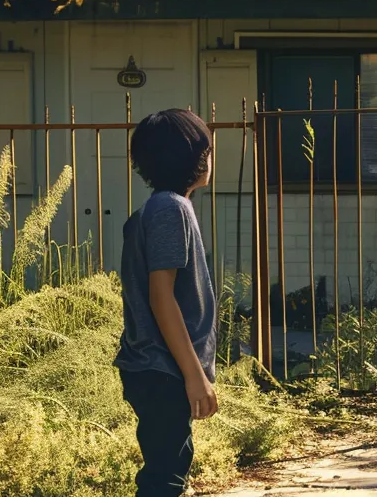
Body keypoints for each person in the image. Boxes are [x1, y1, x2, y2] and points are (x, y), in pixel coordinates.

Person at [116, 108, 218, 497]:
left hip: (158, 367)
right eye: (205, 150)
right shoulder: (169, 209)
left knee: (169, 469)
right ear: (190, 157)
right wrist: (194, 375)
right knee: (165, 479)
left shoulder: (162, 208)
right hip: (162, 369)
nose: (210, 158)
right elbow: (162, 298)